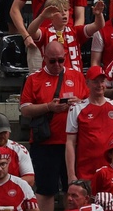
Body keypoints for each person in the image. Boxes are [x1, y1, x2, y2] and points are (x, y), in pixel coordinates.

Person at [20, 41, 88, 211]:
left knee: (71, 190)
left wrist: (78, 103)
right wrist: (49, 107)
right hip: (45, 143)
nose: (57, 65)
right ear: (44, 58)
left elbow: (89, 103)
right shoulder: (34, 79)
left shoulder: (77, 75)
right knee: (45, 189)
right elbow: (25, 109)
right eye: (52, 61)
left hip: (72, 143)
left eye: (60, 60)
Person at [65, 66, 113, 182]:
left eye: (102, 81)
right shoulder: (77, 109)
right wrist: (71, 174)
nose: (100, 85)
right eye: (95, 82)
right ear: (87, 83)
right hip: (86, 172)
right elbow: (70, 142)